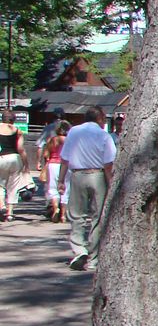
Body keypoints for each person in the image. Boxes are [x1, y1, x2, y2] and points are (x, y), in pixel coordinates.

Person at [59, 106, 117, 271]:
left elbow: (64, 158)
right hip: (97, 175)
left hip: (78, 174)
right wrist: (110, 182)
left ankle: (79, 249)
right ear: (99, 119)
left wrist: (61, 180)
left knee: (77, 215)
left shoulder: (74, 132)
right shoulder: (104, 135)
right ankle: (93, 258)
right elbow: (108, 163)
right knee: (97, 216)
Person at [0, 110, 29, 222]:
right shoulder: (17, 131)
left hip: (1, 158)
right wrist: (26, 165)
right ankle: (10, 213)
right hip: (15, 158)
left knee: (0, 185)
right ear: (13, 120)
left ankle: (2, 205)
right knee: (13, 186)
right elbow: (21, 149)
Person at [40, 121, 71, 223]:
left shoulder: (51, 140)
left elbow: (46, 154)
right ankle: (63, 215)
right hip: (65, 164)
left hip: (52, 164)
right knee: (65, 188)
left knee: (53, 188)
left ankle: (55, 208)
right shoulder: (68, 140)